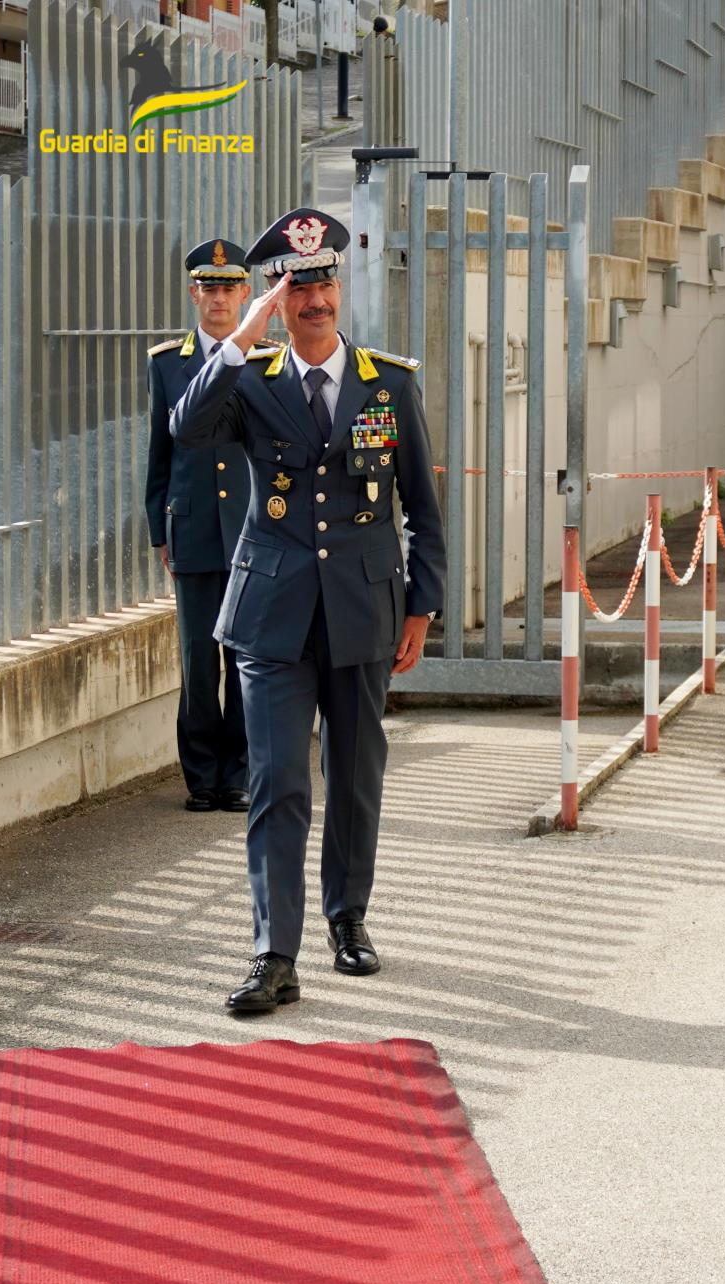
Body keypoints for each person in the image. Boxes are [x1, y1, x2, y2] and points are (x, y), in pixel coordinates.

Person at [171, 207, 446, 1014]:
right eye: (295, 286)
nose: (313, 298)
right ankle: (272, 953)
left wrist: (421, 608)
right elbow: (187, 431)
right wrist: (239, 336)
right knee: (277, 781)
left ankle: (347, 920)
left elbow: (422, 508)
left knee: (355, 778)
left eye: (323, 280)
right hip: (271, 616)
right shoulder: (249, 379)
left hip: (363, 609)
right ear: (277, 298)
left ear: (340, 286)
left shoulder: (387, 382)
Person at [145, 239, 253, 813]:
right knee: (197, 657)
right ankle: (201, 777)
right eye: (208, 288)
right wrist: (157, 528)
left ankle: (236, 774)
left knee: (241, 655)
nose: (218, 298)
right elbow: (158, 453)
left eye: (228, 288)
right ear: (195, 294)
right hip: (190, 528)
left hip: (250, 529)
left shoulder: (264, 359)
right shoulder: (166, 362)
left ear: (245, 294)